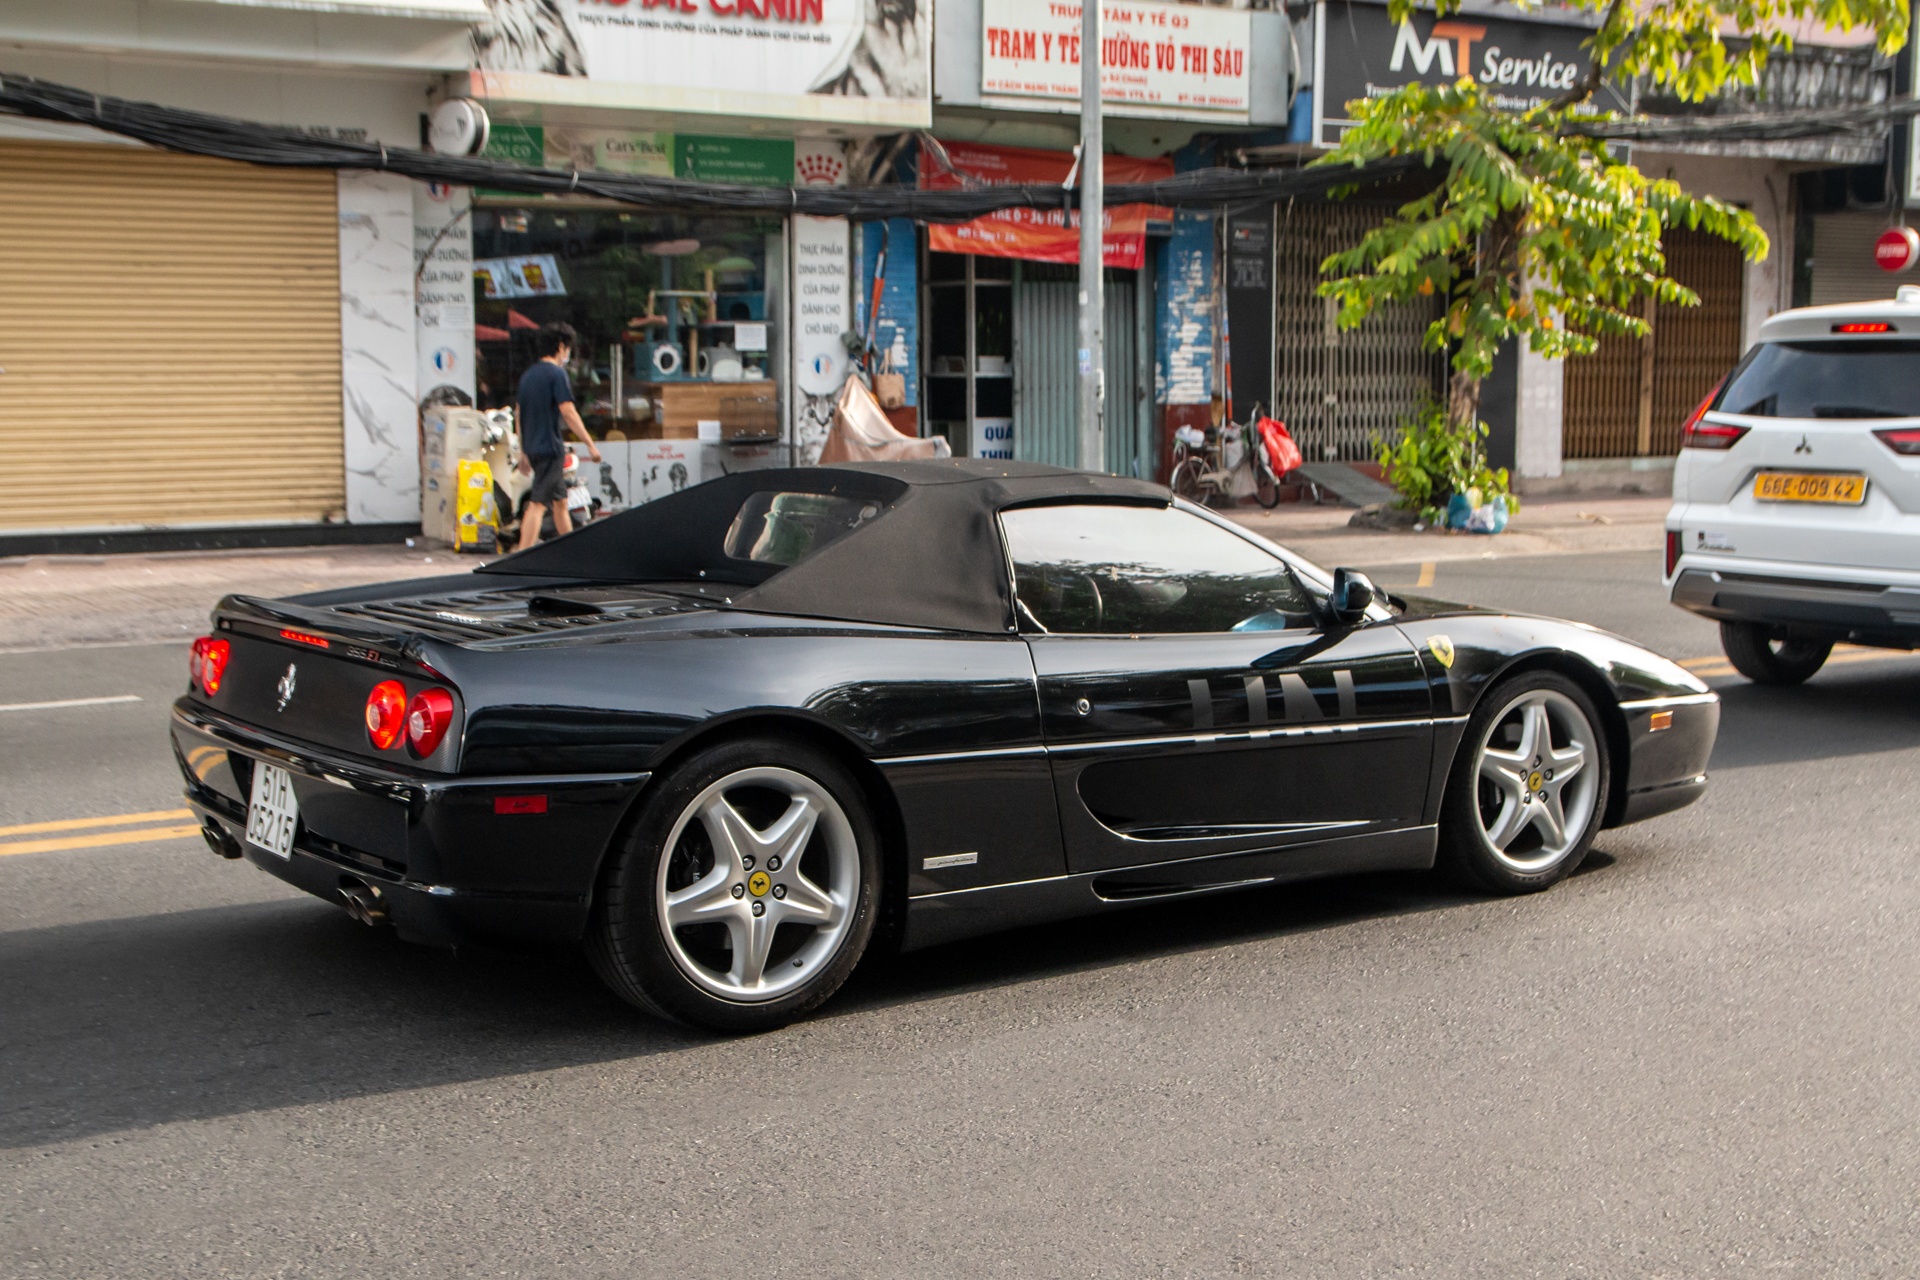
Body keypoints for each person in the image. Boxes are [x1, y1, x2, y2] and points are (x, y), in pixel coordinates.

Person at [515, 322, 602, 550]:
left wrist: (523, 451)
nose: (568, 354)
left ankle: (570, 551)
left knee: (561, 501)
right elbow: (568, 412)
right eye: (568, 348)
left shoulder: (527, 377)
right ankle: (521, 557)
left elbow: (519, 414)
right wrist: (591, 445)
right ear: (561, 347)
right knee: (537, 504)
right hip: (550, 449)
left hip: (533, 448)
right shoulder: (556, 374)